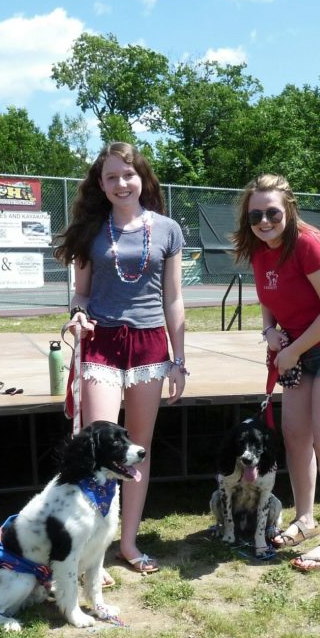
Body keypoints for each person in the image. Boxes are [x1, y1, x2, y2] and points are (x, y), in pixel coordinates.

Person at [53, 141, 187, 576]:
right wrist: (77, 315)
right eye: (111, 177)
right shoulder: (91, 230)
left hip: (150, 345)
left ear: (142, 178)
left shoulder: (167, 229)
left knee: (135, 452)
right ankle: (91, 552)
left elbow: (174, 299)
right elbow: (81, 294)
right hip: (103, 343)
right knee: (99, 451)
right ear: (101, 184)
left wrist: (178, 359)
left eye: (127, 174)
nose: (121, 183)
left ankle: (127, 544)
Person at [231, 174, 320, 572]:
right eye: (255, 214)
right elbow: (268, 298)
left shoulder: (308, 243)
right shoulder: (259, 248)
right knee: (295, 440)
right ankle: (306, 519)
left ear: (289, 209)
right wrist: (270, 331)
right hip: (297, 352)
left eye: (272, 212)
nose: (263, 221)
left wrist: (291, 350)